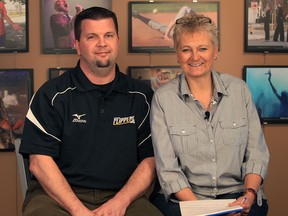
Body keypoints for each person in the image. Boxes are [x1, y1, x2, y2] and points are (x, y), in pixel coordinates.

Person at [20, 7, 163, 216]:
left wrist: (120, 202)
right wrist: (78, 211)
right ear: (77, 45)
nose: (102, 43)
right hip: (57, 197)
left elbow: (151, 159)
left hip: (124, 196)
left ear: (117, 40)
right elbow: (39, 162)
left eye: (108, 35)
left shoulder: (141, 96)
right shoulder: (51, 95)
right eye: (92, 37)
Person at [150, 14, 270, 216]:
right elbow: (168, 170)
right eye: (186, 49)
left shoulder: (240, 90)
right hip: (185, 197)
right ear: (177, 54)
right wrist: (204, 210)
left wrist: (249, 195)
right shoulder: (163, 99)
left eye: (203, 49)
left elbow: (256, 153)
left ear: (215, 51)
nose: (195, 57)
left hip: (237, 194)